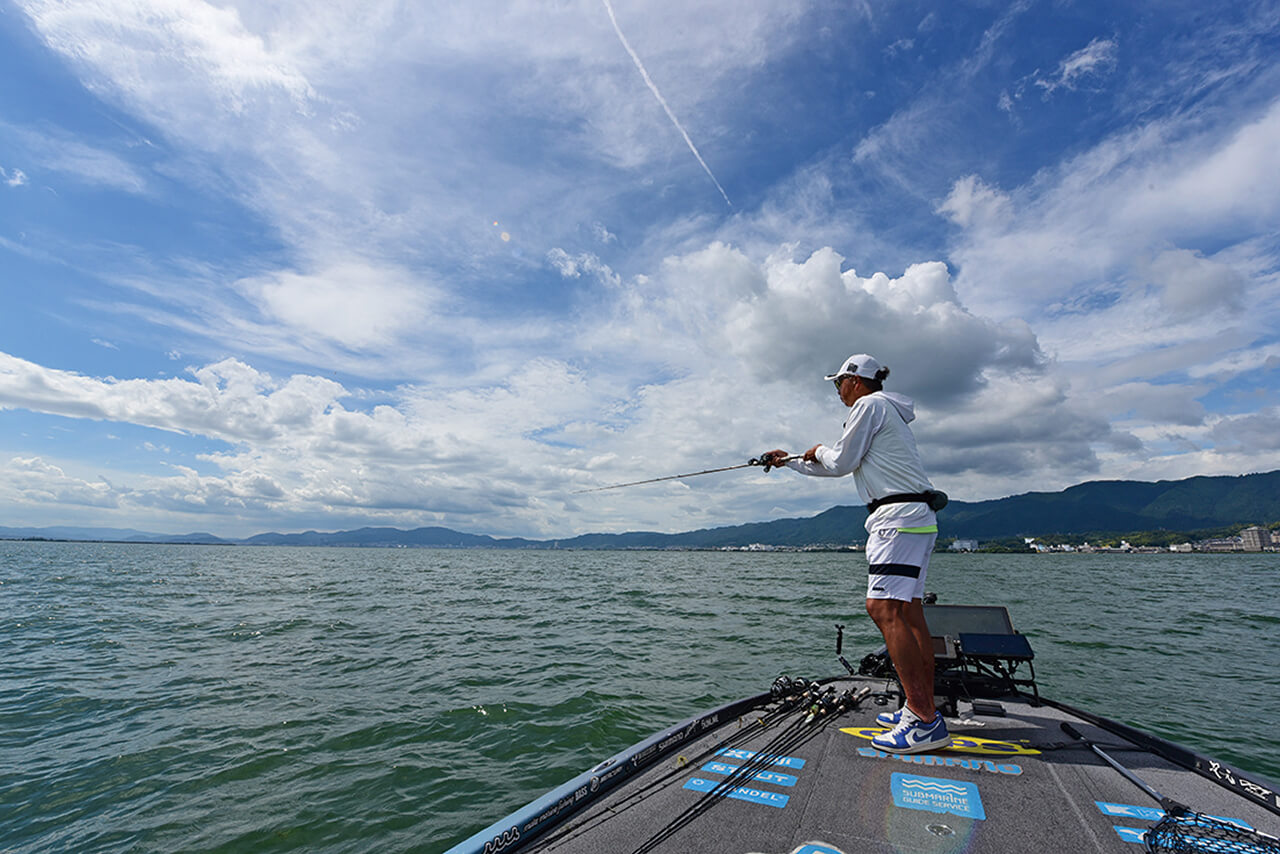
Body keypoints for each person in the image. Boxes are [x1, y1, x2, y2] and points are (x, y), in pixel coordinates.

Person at [763, 353, 950, 754]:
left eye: (839, 383)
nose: (837, 390)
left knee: (883, 609)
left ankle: (924, 720)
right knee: (909, 612)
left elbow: (839, 460)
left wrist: (818, 449)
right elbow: (839, 464)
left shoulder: (868, 406)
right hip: (916, 517)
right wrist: (791, 461)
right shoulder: (885, 410)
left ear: (856, 381)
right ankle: (920, 708)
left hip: (896, 520)